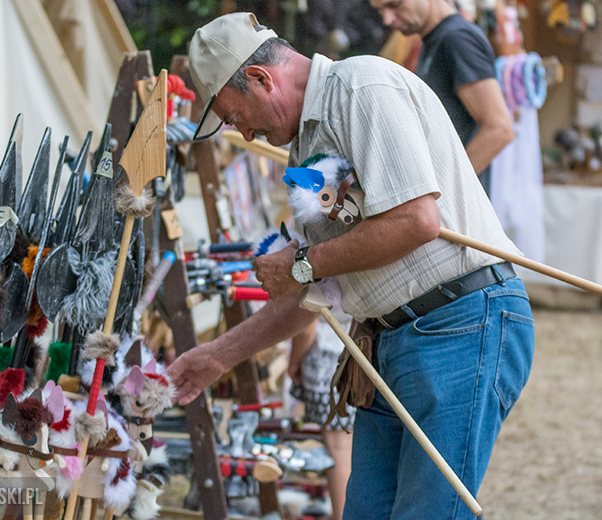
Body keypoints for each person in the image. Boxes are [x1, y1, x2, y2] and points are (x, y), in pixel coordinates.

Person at [169, 12, 534, 520]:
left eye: (235, 117)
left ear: (259, 78)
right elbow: (317, 289)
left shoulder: (361, 85)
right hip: (396, 337)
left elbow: (416, 220)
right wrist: (218, 355)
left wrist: (301, 262)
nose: (244, 133)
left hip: (461, 321)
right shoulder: (303, 148)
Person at [370, 0, 515, 196]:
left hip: (458, 211)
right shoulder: (433, 39)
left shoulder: (456, 38)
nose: (387, 19)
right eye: (380, 11)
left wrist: (438, 193)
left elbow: (499, 130)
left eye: (395, 5)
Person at [288, 315, 354, 520]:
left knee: (338, 447)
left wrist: (293, 361)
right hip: (359, 345)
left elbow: (307, 321)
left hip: (330, 352)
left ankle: (343, 516)